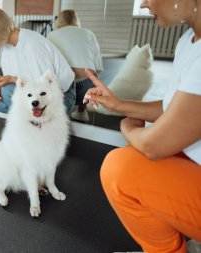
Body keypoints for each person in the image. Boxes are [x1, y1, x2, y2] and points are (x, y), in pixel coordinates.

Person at [83, 0, 201, 252]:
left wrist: (128, 127)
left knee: (120, 168)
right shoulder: (188, 41)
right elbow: (178, 109)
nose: (145, 3)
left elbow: (152, 145)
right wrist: (119, 105)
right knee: (138, 158)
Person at [0, 6, 75, 114]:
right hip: (36, 92)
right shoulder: (7, 47)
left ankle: (39, 120)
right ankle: (36, 119)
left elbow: (44, 87)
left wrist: (11, 80)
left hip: (62, 95)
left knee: (7, 93)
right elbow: (12, 77)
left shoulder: (32, 44)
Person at [47, 9, 103, 122]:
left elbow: (46, 66)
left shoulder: (51, 35)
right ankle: (82, 111)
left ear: (59, 21)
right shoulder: (89, 33)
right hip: (87, 92)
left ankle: (61, 113)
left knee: (56, 75)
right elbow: (98, 68)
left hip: (64, 91)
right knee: (92, 75)